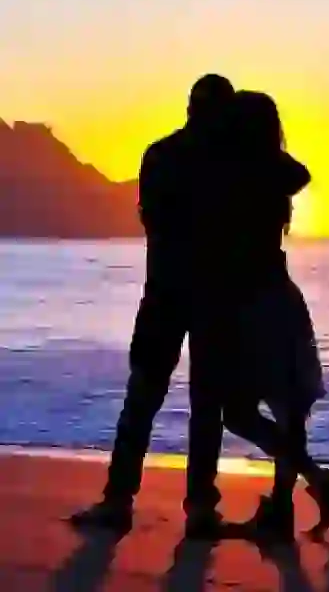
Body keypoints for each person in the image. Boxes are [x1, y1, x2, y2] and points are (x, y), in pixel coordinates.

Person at [187, 90, 329, 542]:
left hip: (251, 302)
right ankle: (292, 501)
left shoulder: (234, 174)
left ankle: (311, 487)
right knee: (284, 410)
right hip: (279, 297)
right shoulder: (273, 173)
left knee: (240, 412)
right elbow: (298, 171)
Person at [70, 74, 235, 537]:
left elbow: (150, 219)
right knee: (205, 405)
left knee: (142, 399)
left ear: (189, 108)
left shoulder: (160, 155)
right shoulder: (232, 163)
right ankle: (200, 508)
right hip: (212, 298)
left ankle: (118, 501)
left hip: (164, 291)